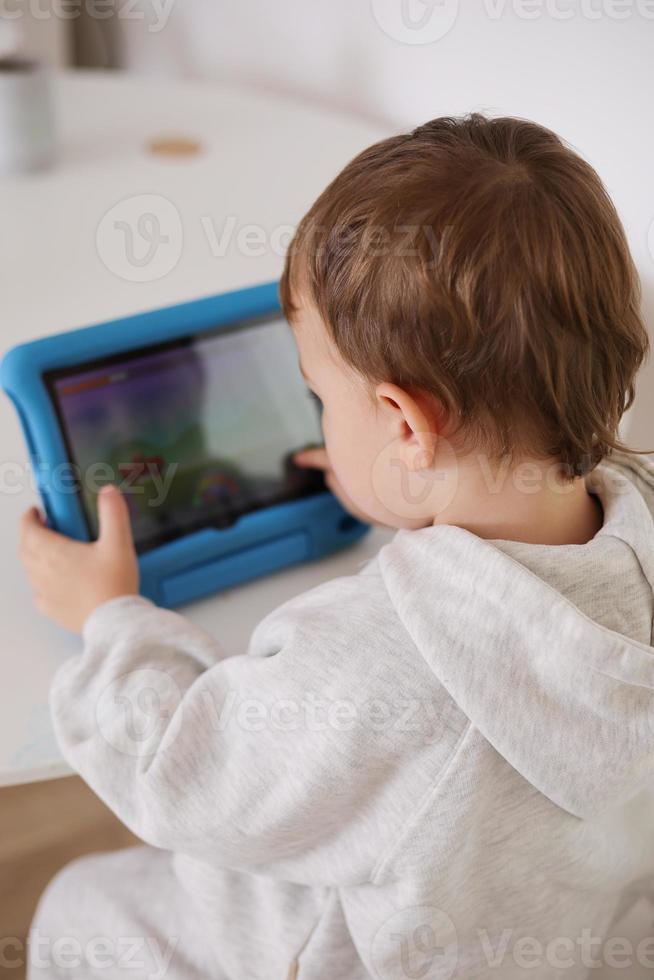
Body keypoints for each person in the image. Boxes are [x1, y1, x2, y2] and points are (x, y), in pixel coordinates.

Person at [20, 114, 654, 980]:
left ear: (404, 424)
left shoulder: (379, 662)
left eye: (321, 394)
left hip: (346, 953)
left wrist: (112, 617)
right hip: (574, 934)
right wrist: (404, 486)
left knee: (80, 905)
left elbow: (183, 775)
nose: (319, 415)